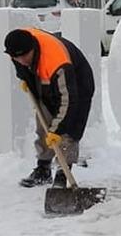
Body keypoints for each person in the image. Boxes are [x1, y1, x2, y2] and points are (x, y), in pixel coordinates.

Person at [5, 28, 95, 189]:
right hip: (46, 78)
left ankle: (62, 175)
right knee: (44, 125)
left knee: (68, 131)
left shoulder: (57, 62)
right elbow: (22, 64)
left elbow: (69, 102)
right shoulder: (17, 47)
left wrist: (58, 130)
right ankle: (43, 168)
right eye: (17, 57)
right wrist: (27, 79)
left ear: (32, 48)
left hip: (78, 84)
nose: (21, 60)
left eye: (25, 56)